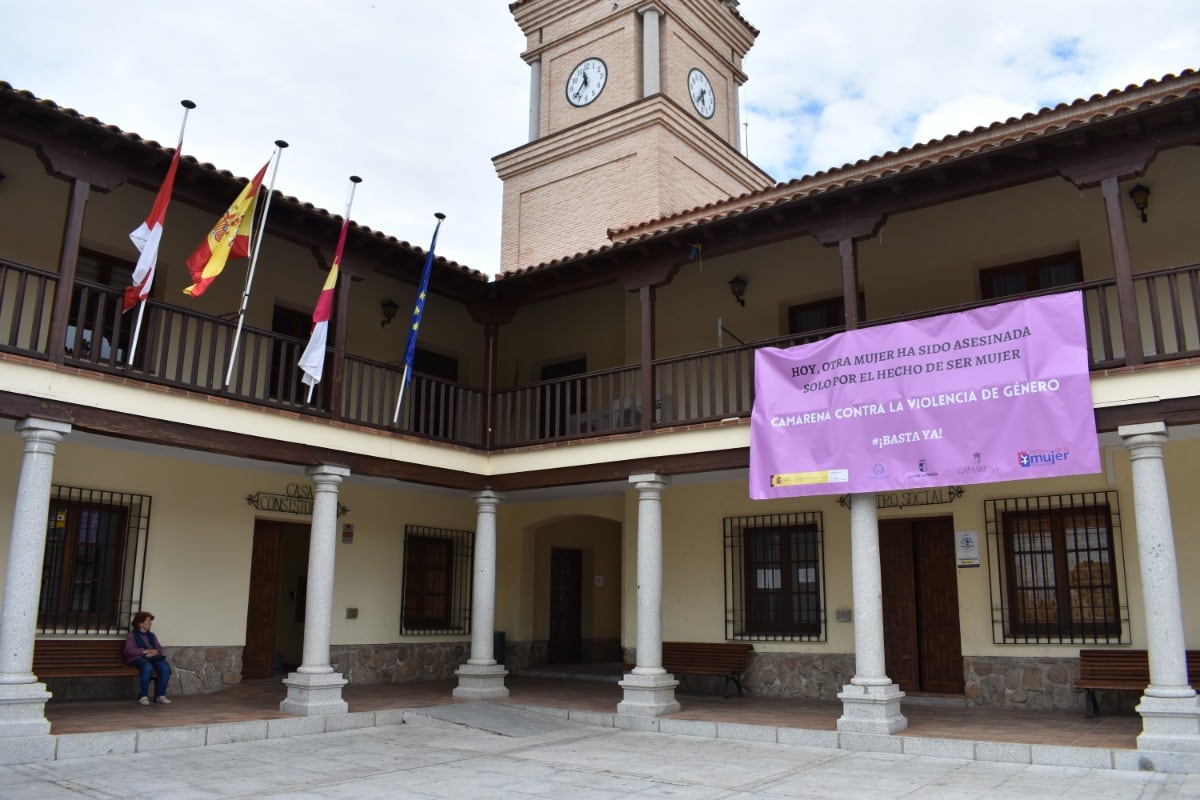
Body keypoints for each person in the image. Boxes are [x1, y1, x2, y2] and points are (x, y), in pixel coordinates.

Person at [123, 611, 172, 705]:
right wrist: (143, 651)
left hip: (152, 657)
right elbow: (128, 651)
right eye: (148, 621)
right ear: (140, 623)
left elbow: (159, 648)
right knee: (147, 666)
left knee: (165, 666)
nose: (150, 624)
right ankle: (143, 696)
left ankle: (160, 696)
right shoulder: (132, 635)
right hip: (138, 658)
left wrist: (156, 651)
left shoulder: (151, 635)